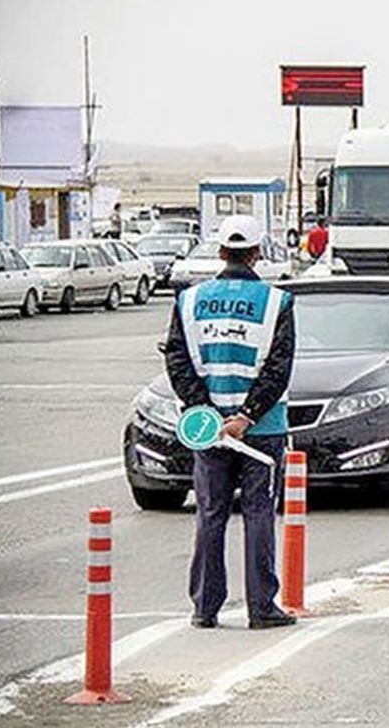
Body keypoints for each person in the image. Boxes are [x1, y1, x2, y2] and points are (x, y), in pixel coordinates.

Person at [164, 215, 297, 631]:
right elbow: (279, 368)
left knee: (210, 514)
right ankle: (262, 608)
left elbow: (177, 360)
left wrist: (207, 412)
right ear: (258, 253)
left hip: (208, 431)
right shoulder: (279, 302)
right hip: (262, 431)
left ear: (221, 251)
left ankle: (205, 608)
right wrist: (246, 417)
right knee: (259, 513)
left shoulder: (189, 300)